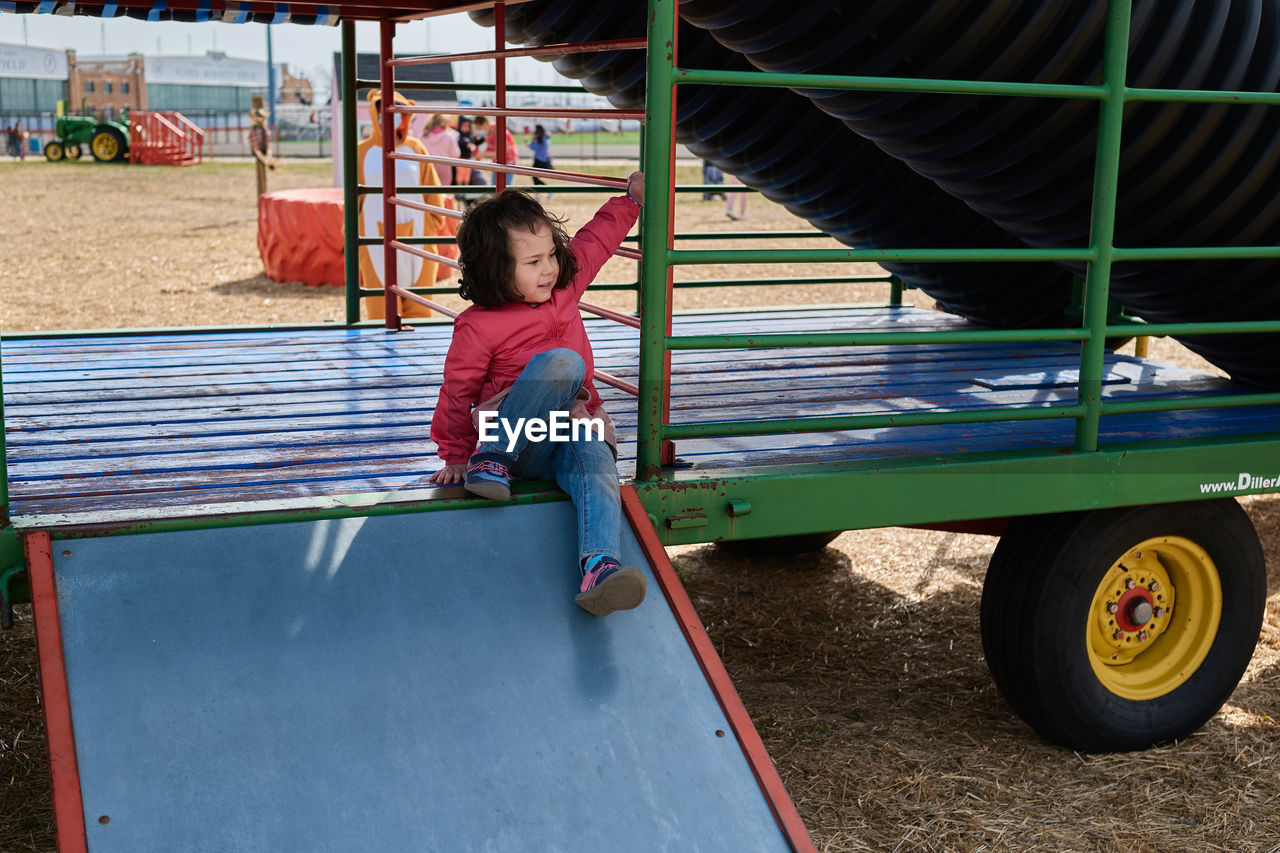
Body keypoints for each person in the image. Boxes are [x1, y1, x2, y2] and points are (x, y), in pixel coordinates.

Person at [428, 175, 647, 617]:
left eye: (550, 254)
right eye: (532, 262)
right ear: (496, 270)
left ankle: (599, 568)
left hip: (563, 434)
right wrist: (454, 454)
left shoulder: (564, 285)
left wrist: (631, 202)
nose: (549, 268)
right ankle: (491, 459)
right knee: (564, 363)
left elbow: (596, 240)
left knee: (597, 458)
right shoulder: (479, 325)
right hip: (513, 442)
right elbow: (457, 392)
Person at [423, 114, 460, 186]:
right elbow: (455, 154)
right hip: (444, 165)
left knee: (429, 191)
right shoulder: (449, 136)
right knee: (443, 191)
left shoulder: (423, 136)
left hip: (428, 165)